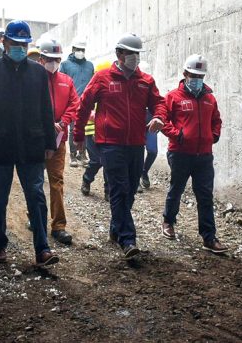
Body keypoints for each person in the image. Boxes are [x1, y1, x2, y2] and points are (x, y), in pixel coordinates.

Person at [0, 20, 59, 267]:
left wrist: (49, 142)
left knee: (36, 196)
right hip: (0, 146)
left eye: (24, 44)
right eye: (16, 44)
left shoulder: (38, 73)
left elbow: (46, 109)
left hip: (31, 146)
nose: (20, 48)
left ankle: (42, 249)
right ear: (5, 43)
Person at [73, 33, 164, 260]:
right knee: (119, 189)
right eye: (130, 53)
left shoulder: (145, 81)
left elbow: (159, 103)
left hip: (136, 144)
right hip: (110, 145)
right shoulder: (102, 78)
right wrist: (79, 136)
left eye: (137, 54)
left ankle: (116, 228)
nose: (134, 57)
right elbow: (84, 106)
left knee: (131, 190)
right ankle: (128, 239)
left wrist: (159, 117)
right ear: (119, 54)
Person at [160, 54, 227, 254]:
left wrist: (213, 135)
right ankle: (168, 221)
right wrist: (178, 136)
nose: (197, 79)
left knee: (205, 195)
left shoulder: (209, 98)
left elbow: (216, 120)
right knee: (177, 189)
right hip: (180, 153)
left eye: (200, 75)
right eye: (193, 75)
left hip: (204, 155)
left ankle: (208, 237)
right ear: (185, 74)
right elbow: (163, 121)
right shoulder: (173, 97)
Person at [36, 38, 80, 245]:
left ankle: (59, 226)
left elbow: (74, 103)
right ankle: (34, 218)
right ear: (41, 58)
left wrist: (63, 122)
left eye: (56, 59)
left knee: (57, 182)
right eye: (49, 58)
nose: (53, 62)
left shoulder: (66, 81)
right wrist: (45, 123)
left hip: (59, 139)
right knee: (34, 183)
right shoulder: (33, 80)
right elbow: (26, 106)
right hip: (34, 140)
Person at [79, 60, 112, 200]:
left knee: (108, 161)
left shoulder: (112, 91)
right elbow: (83, 108)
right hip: (91, 131)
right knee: (96, 160)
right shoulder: (91, 89)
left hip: (107, 132)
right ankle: (87, 179)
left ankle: (108, 190)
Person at [60, 37, 94, 167]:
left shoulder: (89, 65)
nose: (80, 51)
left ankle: (83, 154)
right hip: (73, 102)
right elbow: (61, 82)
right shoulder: (65, 65)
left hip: (87, 103)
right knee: (73, 129)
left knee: (85, 129)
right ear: (73, 49)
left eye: (82, 49)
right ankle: (73, 156)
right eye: (78, 49)